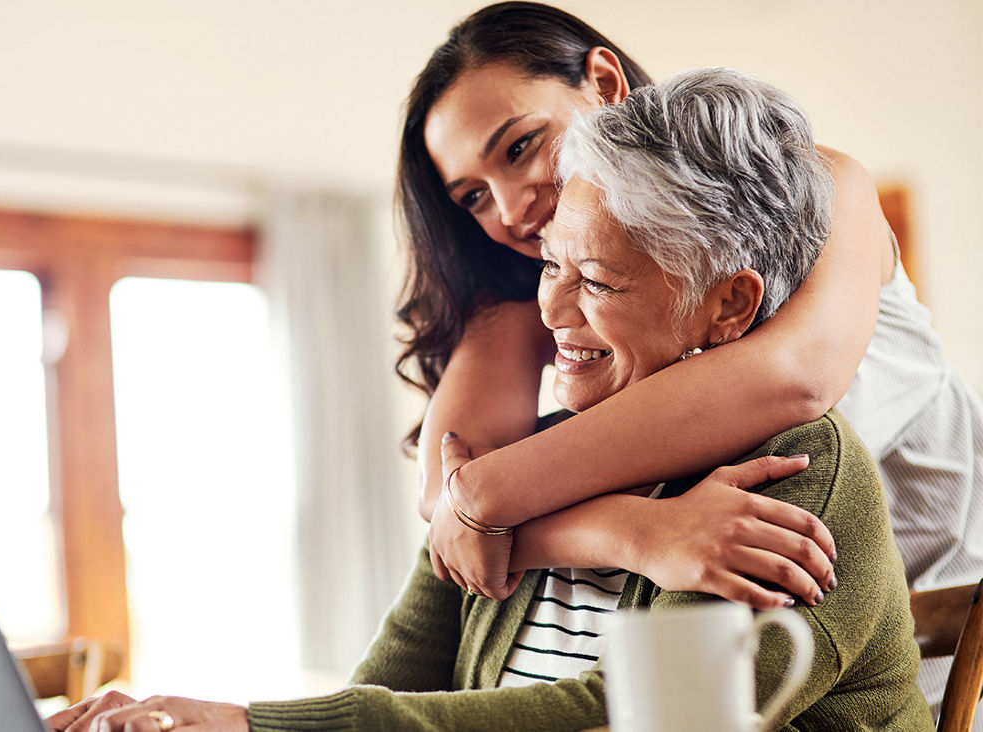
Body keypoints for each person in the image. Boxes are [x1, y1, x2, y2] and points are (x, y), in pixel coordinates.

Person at [47, 67, 930, 732]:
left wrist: (256, 727)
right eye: (550, 264)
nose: (551, 312)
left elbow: (628, 719)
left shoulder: (795, 473)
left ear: (729, 305)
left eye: (597, 282)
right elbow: (393, 677)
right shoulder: (543, 454)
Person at [401, 2, 983, 715]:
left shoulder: (813, 189)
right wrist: (633, 533)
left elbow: (792, 381)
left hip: (944, 632)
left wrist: (486, 501)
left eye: (521, 147)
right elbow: (447, 499)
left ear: (605, 83)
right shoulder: (545, 283)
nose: (512, 209)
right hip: (756, 622)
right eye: (473, 196)